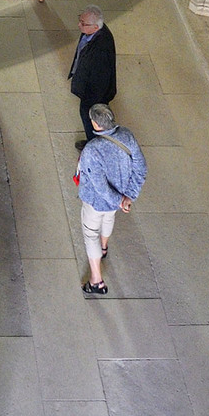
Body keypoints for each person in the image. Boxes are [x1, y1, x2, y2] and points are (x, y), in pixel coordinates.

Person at [77, 103, 146, 297]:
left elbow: (100, 187)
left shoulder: (92, 150)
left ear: (95, 124)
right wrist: (127, 197)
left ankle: (96, 281)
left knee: (90, 233)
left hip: (95, 202)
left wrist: (120, 200)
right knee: (109, 218)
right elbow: (141, 168)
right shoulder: (127, 136)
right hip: (117, 199)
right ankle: (104, 247)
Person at [68, 6, 118, 145]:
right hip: (89, 87)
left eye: (83, 23)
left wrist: (90, 101)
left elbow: (100, 80)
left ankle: (94, 144)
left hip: (94, 95)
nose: (79, 25)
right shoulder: (91, 31)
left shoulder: (101, 49)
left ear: (95, 27)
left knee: (90, 117)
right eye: (80, 20)